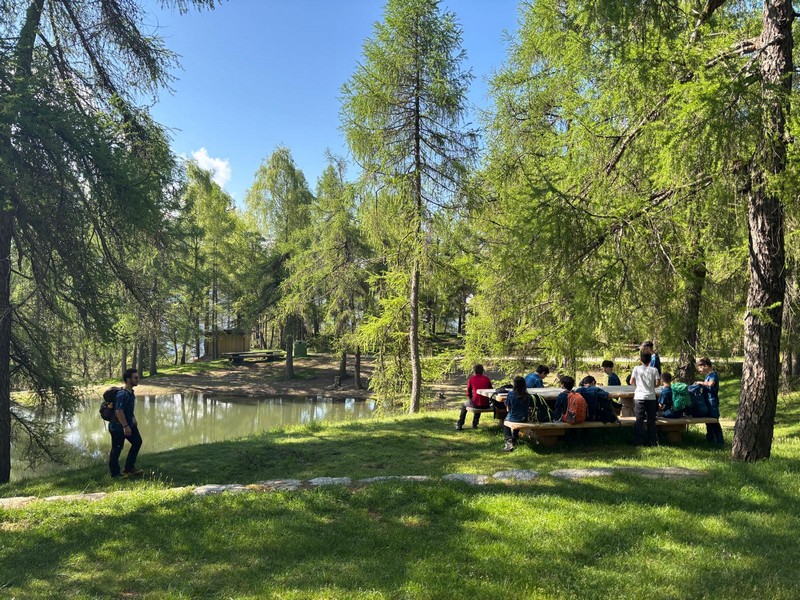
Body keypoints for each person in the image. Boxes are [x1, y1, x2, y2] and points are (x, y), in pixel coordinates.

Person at [109, 368, 144, 478]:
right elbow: (118, 411)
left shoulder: (131, 393)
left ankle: (129, 468)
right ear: (128, 379)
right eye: (135, 377)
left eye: (137, 377)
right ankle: (115, 474)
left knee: (137, 442)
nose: (138, 379)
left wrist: (133, 419)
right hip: (118, 427)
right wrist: (125, 426)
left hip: (129, 424)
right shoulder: (122, 394)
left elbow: (127, 410)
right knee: (116, 449)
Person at [630, 351, 661, 446]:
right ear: (650, 360)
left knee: (639, 419)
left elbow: (631, 381)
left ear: (640, 360)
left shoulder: (636, 368)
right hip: (651, 397)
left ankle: (639, 441)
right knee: (651, 420)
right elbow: (658, 383)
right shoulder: (654, 370)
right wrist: (651, 386)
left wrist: (638, 385)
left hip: (639, 396)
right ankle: (652, 441)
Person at [695, 357, 724, 445]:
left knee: (714, 420)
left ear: (706, 366)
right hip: (707, 401)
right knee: (708, 421)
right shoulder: (707, 376)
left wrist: (700, 383)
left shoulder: (713, 375)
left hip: (712, 401)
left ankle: (720, 441)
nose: (700, 370)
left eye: (700, 367)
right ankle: (710, 440)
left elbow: (711, 384)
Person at [456, 364, 492, 430]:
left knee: (464, 406)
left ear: (474, 371)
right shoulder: (487, 379)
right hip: (486, 404)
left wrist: (470, 398)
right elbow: (491, 390)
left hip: (476, 403)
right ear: (482, 371)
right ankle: (475, 424)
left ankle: (459, 424)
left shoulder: (472, 379)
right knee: (479, 401)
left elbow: (468, 392)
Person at [503, 376, 533, 452]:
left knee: (506, 422)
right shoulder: (528, 395)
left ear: (515, 384)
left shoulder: (511, 394)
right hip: (524, 418)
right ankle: (514, 437)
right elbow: (530, 407)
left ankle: (509, 439)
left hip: (513, 417)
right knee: (519, 418)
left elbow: (507, 409)